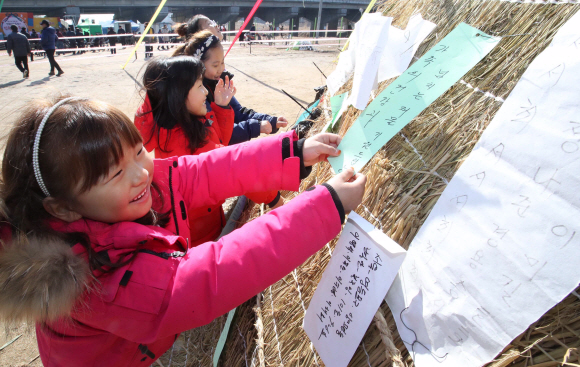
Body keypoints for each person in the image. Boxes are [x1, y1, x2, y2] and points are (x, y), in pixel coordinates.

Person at [0, 95, 365, 366]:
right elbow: (210, 278)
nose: (142, 172)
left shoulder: (120, 192)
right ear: (62, 208)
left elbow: (200, 171)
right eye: (115, 172)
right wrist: (325, 206)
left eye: (139, 149)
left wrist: (293, 152)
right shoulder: (95, 281)